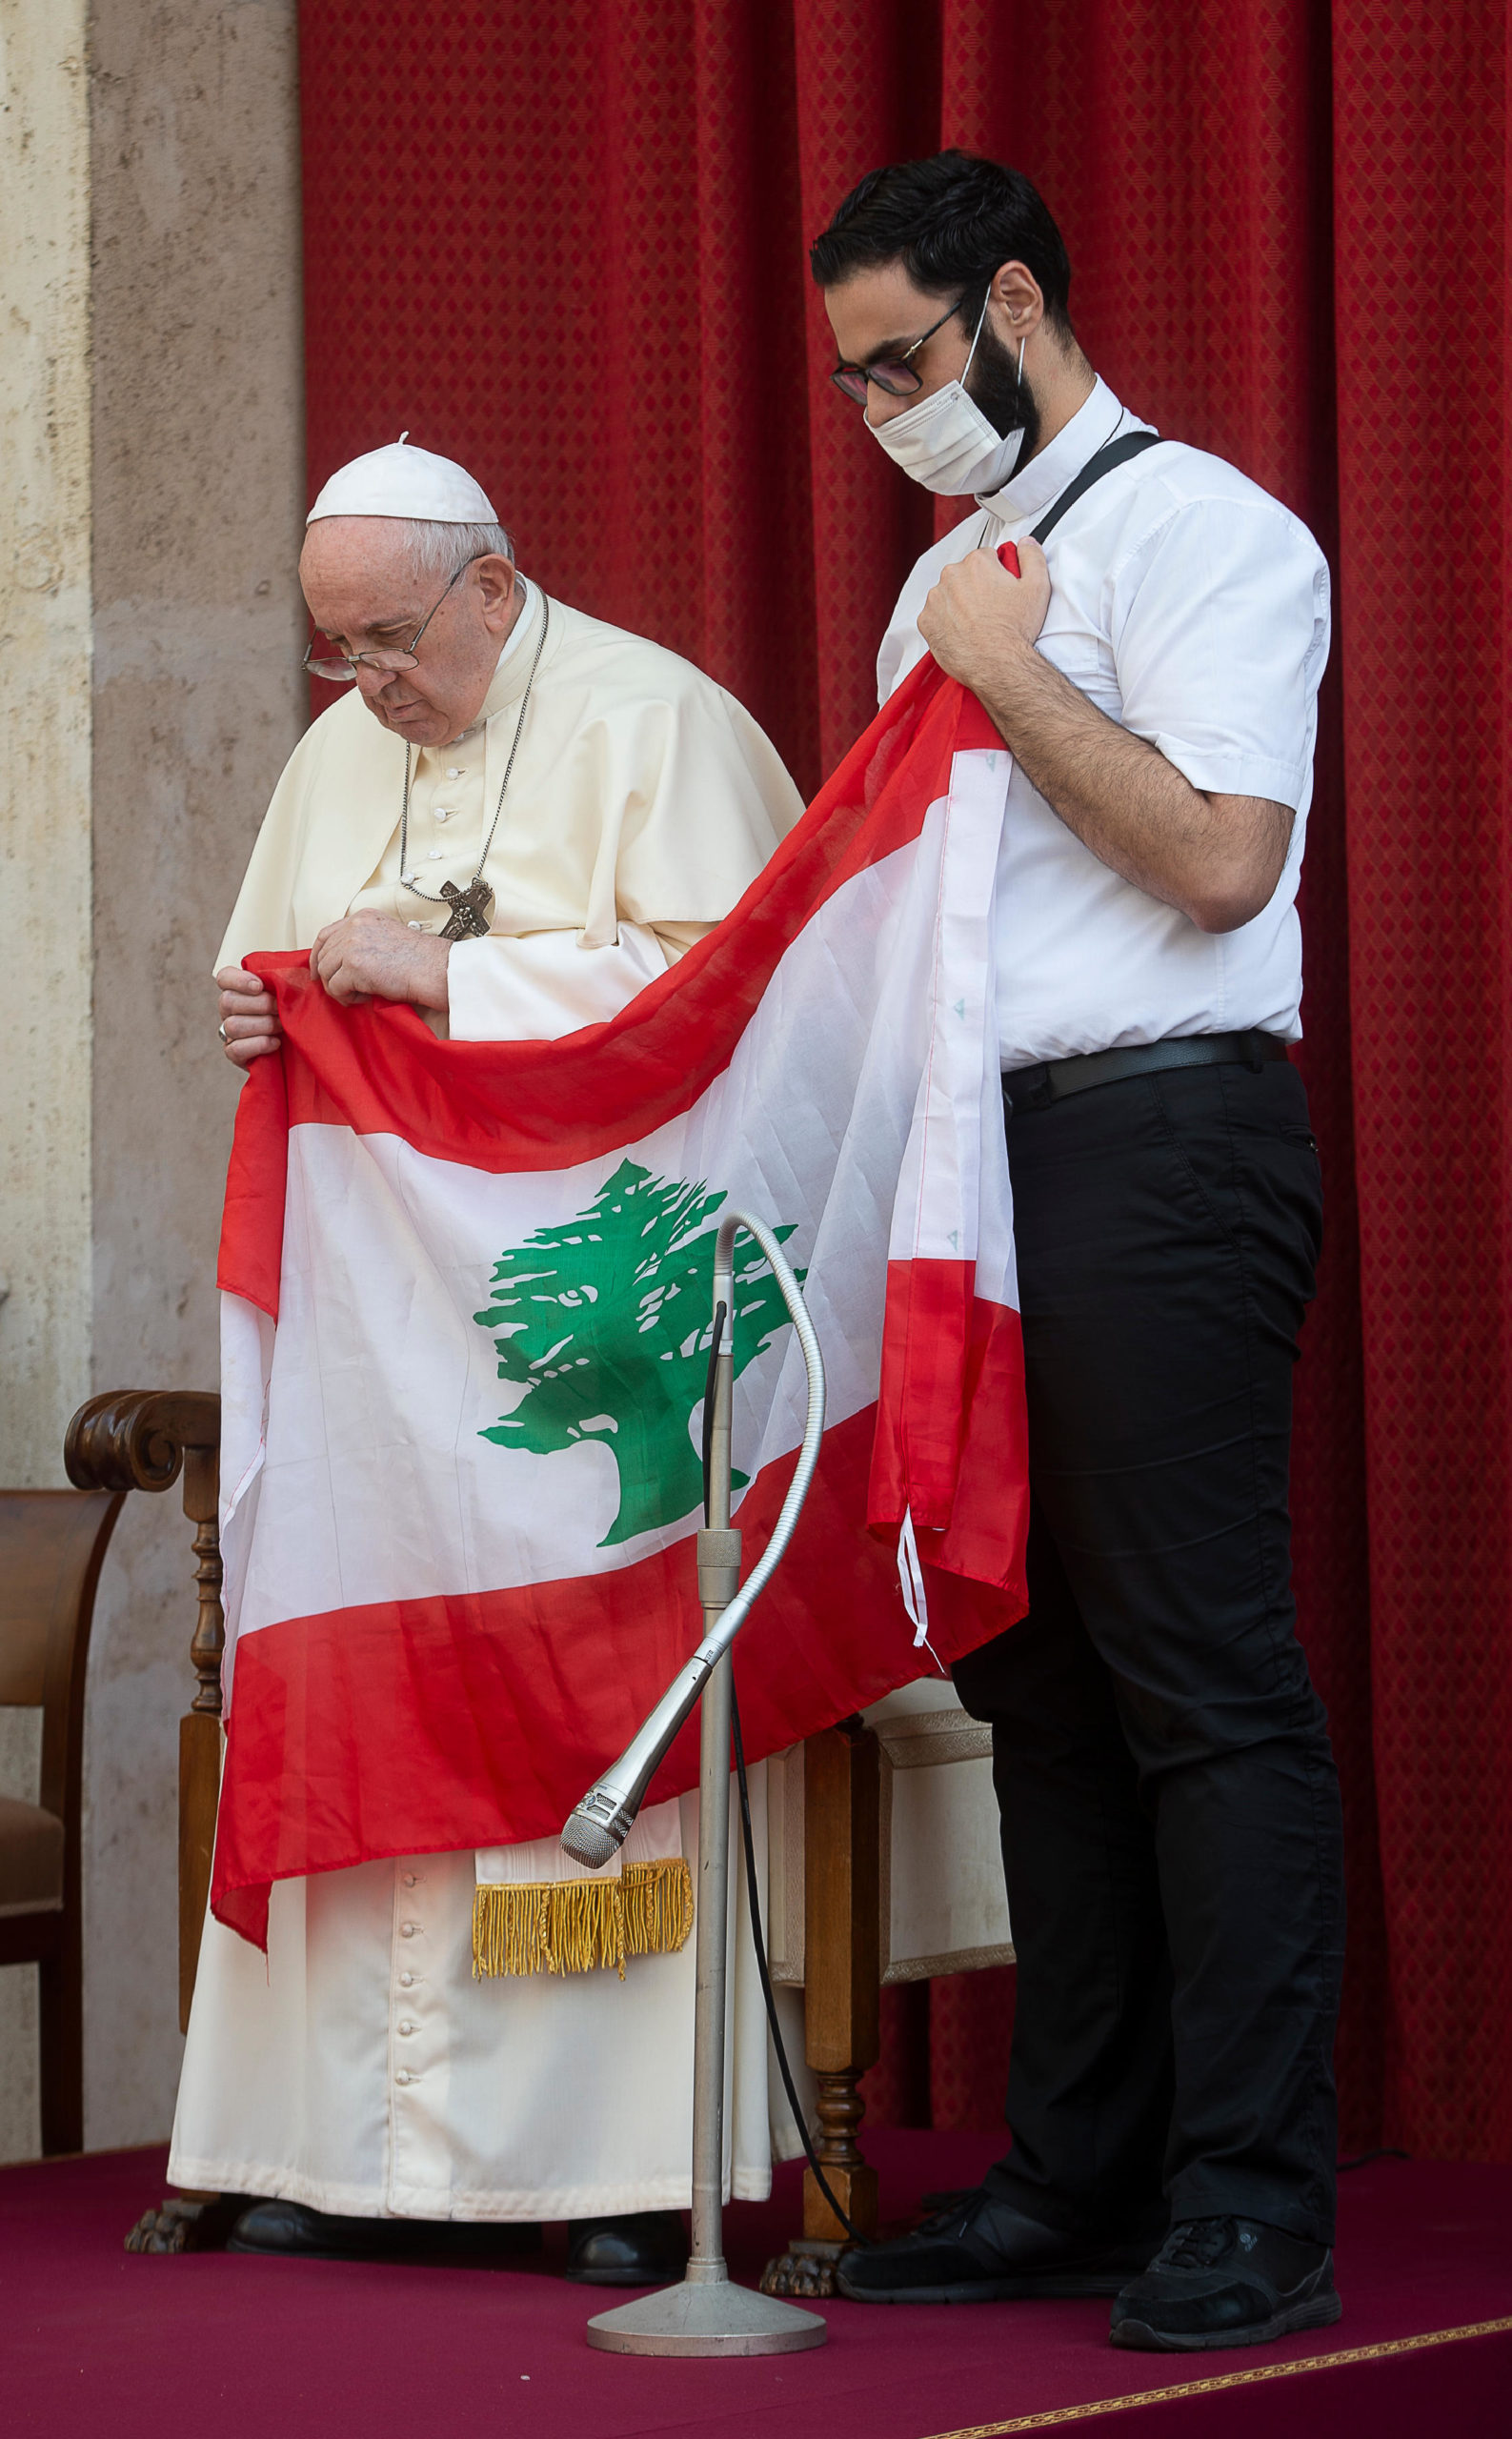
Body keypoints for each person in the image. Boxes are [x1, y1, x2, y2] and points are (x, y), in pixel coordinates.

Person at [812, 152, 1343, 2353]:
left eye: (902, 364)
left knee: (1198, 1677)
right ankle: (1075, 2173)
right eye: (850, 387)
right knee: (1033, 1685)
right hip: (975, 1166)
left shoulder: (1206, 530)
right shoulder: (936, 584)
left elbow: (1219, 862)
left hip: (1159, 1139)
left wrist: (1008, 675)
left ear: (1013, 305)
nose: (882, 416)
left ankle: (1248, 2196)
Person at [177, 438, 806, 2280]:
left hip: (580, 1331)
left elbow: (741, 998)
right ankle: (330, 2155)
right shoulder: (338, 750)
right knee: (356, 1659)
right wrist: (263, 1009)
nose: (367, 682)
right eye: (337, 647)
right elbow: (275, 963)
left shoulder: (655, 721)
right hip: (383, 1339)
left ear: (496, 589)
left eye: (392, 640)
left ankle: (606, 2174)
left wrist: (454, 978)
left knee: (576, 1689)